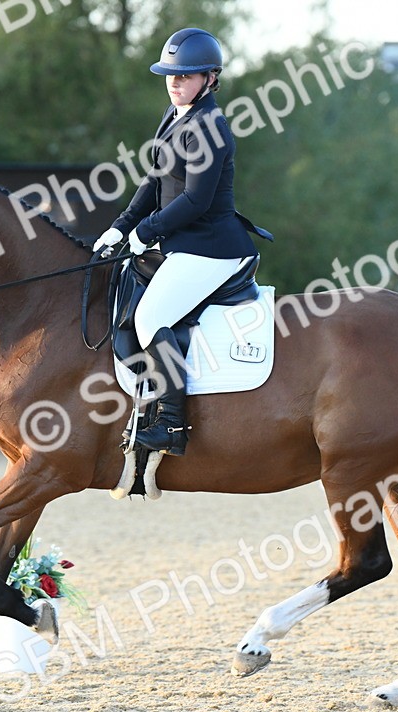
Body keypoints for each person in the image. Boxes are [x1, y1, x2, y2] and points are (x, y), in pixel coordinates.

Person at [93, 27, 272, 457]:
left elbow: (195, 200)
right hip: (184, 243)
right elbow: (154, 180)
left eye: (185, 76)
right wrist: (121, 225)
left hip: (212, 246)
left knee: (150, 315)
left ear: (210, 78)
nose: (175, 82)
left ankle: (172, 426)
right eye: (170, 75)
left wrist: (147, 231)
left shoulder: (210, 126)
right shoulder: (176, 115)